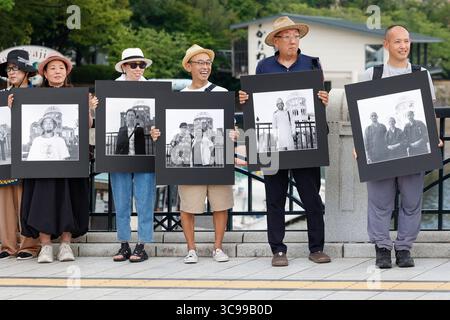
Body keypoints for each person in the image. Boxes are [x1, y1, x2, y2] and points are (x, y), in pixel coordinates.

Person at [239, 16, 331, 266]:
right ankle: (278, 250)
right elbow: (257, 101)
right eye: (287, 36)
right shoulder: (264, 67)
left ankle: (316, 247)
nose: (293, 40)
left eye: (296, 36)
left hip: (304, 145)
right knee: (275, 198)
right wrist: (246, 99)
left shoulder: (312, 64)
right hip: (273, 145)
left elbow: (319, 98)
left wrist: (323, 98)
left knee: (311, 196)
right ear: (276, 41)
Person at [357, 25, 442, 269]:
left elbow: (429, 111)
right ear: (386, 45)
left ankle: (404, 248)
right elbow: (360, 116)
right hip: (380, 153)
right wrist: (359, 146)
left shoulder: (421, 73)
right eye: (397, 42)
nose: (403, 46)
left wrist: (433, 136)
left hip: (412, 150)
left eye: (406, 41)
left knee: (412, 201)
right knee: (379, 202)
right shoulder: (371, 75)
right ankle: (382, 248)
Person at [151, 44, 236, 264]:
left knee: (220, 204)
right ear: (189, 66)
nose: (205, 67)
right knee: (188, 205)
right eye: (200, 63)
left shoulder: (221, 93)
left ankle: (218, 248)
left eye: (208, 63)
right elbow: (169, 129)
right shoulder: (179, 97)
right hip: (190, 158)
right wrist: (157, 133)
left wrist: (233, 134)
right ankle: (191, 249)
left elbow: (230, 127)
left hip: (216, 156)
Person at [18, 53, 98, 263]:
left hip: (68, 162)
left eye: (61, 68)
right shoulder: (33, 96)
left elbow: (87, 125)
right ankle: (45, 246)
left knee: (68, 199)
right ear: (44, 72)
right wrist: (13, 108)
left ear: (67, 72)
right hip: (40, 165)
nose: (57, 72)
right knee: (42, 200)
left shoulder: (78, 95)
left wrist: (90, 109)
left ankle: (65, 245)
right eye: (52, 68)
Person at [110, 48, 155, 263]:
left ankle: (142, 244)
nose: (138, 69)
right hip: (120, 157)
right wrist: (93, 108)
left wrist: (156, 130)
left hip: (145, 154)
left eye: (142, 65)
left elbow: (160, 119)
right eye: (134, 65)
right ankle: (124, 243)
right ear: (124, 66)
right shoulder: (111, 89)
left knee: (145, 199)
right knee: (121, 199)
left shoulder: (152, 89)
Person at [0, 49, 41, 260]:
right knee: (5, 200)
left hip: (27, 154)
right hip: (5, 154)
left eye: (16, 68)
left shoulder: (37, 95)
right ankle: (7, 245)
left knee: (26, 198)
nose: (11, 72)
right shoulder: (2, 97)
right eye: (9, 69)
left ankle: (29, 245)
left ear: (27, 72)